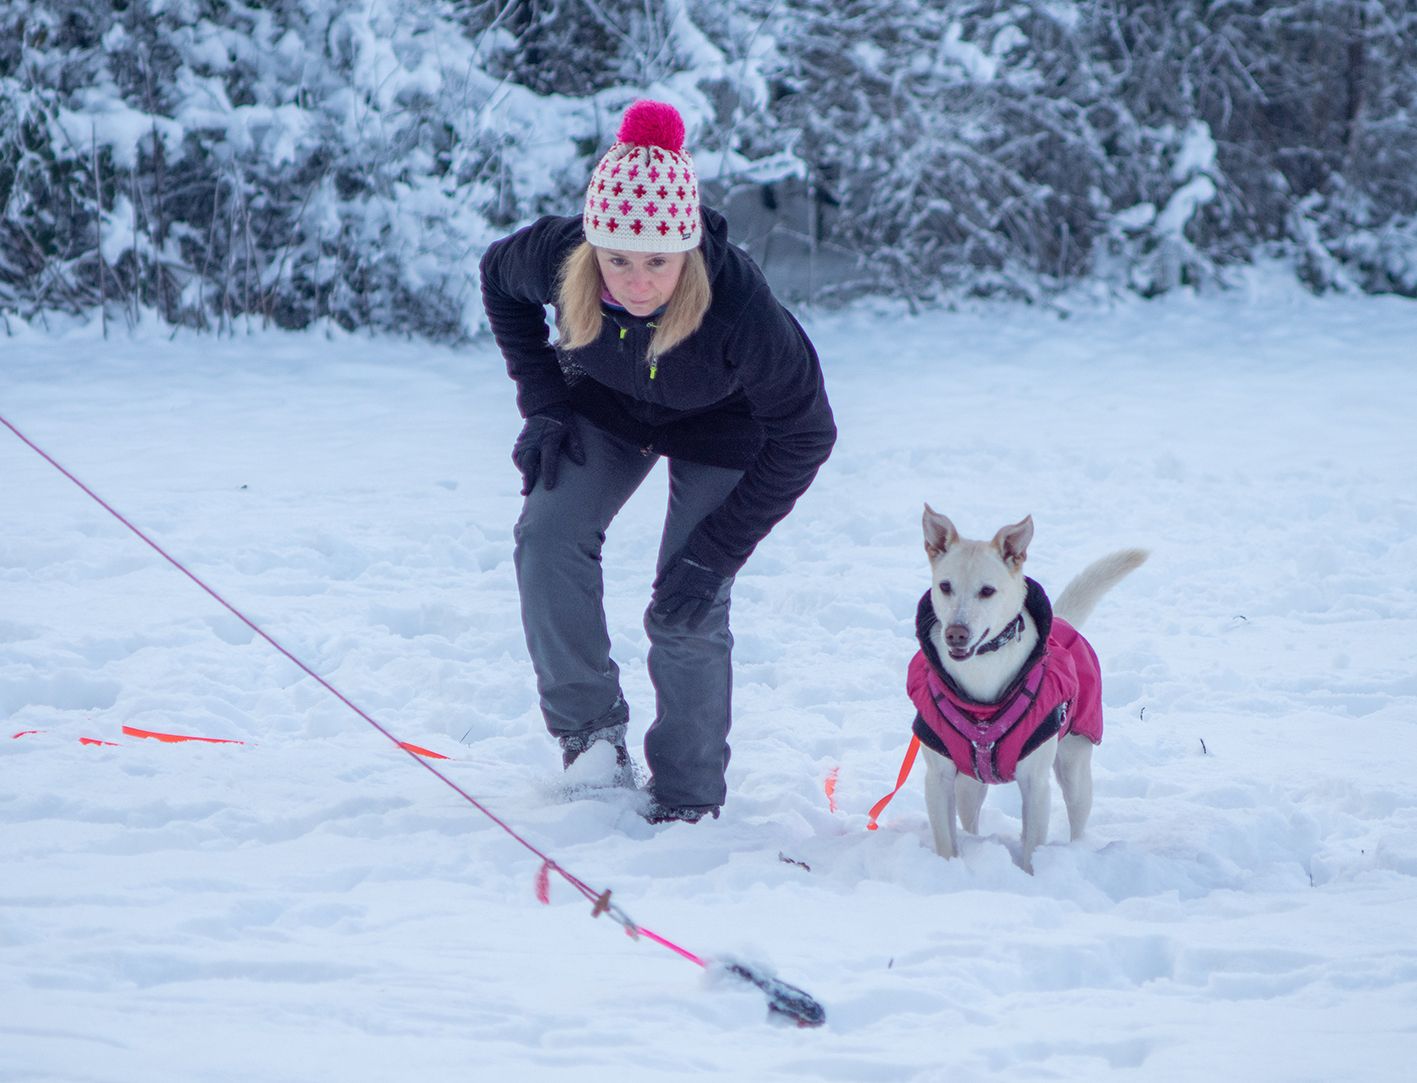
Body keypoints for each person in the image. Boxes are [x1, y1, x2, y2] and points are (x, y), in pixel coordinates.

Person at [479, 100, 836, 824]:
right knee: (546, 536)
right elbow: (496, 278)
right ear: (591, 248)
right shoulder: (556, 256)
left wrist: (717, 552)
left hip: (723, 425)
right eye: (616, 260)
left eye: (656, 263)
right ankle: (591, 743)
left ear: (687, 253)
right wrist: (544, 404)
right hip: (605, 405)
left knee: (686, 603)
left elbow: (806, 433)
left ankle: (686, 798)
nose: (636, 282)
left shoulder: (739, 310)